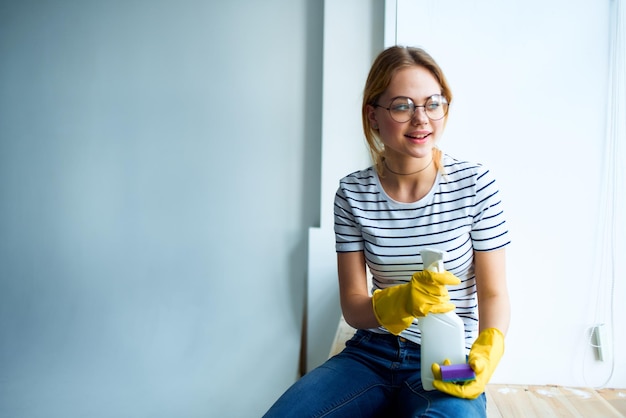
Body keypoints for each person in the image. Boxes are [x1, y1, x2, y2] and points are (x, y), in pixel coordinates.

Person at [264, 46, 511, 418]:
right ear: (374, 115)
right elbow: (353, 307)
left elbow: (493, 293)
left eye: (433, 103)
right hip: (370, 355)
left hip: (444, 358)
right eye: (402, 106)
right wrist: (402, 301)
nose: (421, 119)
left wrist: (488, 348)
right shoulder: (353, 194)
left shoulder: (475, 185)